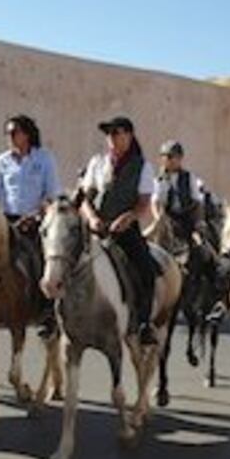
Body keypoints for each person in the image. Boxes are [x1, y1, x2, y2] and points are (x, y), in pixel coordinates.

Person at [79, 116, 159, 345]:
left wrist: (128, 217)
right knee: (63, 257)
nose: (111, 138)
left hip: (124, 229)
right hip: (96, 227)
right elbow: (85, 198)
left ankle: (144, 324)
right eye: (109, 134)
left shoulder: (143, 165)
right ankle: (53, 316)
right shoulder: (97, 162)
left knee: (146, 269)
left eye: (116, 133)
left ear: (129, 135)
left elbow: (144, 201)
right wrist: (92, 218)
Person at [0, 114, 62, 331]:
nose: (10, 137)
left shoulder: (44, 159)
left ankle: (47, 310)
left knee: (41, 256)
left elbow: (52, 193)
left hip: (36, 220)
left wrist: (35, 215)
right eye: (8, 133)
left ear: (27, 134)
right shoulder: (2, 161)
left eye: (14, 132)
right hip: (7, 220)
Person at [153, 140, 205, 242]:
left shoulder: (189, 177)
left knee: (200, 245)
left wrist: (198, 221)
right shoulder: (159, 180)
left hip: (187, 219)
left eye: (172, 157)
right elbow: (155, 201)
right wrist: (157, 218)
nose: (169, 160)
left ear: (180, 158)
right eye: (166, 157)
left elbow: (197, 201)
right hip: (169, 219)